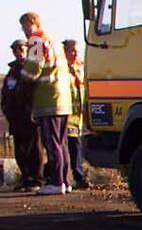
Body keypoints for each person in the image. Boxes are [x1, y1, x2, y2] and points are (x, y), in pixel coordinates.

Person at [19, 11, 72, 195]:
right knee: (62, 142)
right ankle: (65, 180)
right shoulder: (53, 41)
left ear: (32, 23)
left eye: (25, 26)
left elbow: (32, 71)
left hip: (47, 99)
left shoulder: (36, 40)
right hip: (63, 99)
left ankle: (56, 182)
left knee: (52, 142)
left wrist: (22, 74)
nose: (24, 31)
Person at [1, 39, 43, 190]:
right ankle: (25, 178)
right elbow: (6, 92)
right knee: (20, 150)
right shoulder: (12, 71)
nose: (18, 52)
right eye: (15, 50)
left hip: (30, 116)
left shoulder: (32, 68)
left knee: (34, 149)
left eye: (20, 49)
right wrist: (7, 109)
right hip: (15, 117)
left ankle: (37, 179)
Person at [62, 39, 88, 189]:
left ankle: (79, 177)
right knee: (65, 149)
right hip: (66, 116)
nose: (75, 53)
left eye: (77, 51)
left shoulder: (81, 68)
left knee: (76, 149)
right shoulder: (62, 69)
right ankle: (62, 177)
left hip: (78, 118)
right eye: (72, 51)